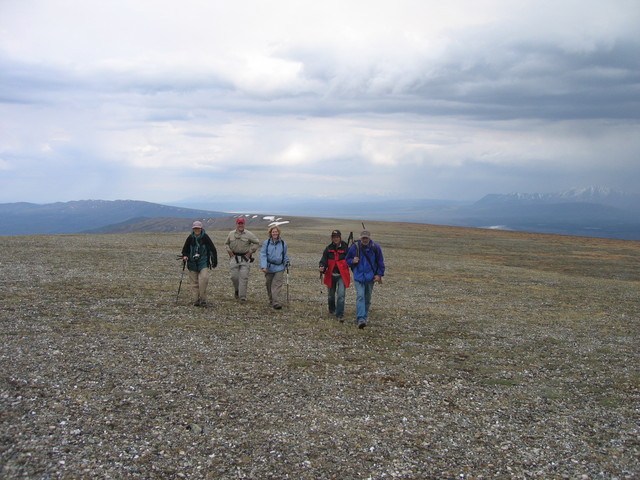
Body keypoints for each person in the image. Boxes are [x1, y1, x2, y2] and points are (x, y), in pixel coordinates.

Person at [345, 230, 385, 328]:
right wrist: (352, 261)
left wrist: (379, 275)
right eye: (363, 238)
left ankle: (364, 316)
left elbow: (380, 262)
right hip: (358, 277)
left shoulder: (376, 248)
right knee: (360, 296)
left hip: (370, 278)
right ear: (360, 238)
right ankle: (361, 319)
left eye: (366, 237)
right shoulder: (355, 247)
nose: (365, 239)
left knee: (367, 298)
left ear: (369, 238)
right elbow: (346, 260)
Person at [181, 221, 218, 307]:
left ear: (201, 228)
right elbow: (185, 250)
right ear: (193, 229)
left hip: (203, 262)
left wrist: (214, 261)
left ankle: (203, 299)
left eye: (198, 228)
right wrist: (185, 256)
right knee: (194, 283)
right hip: (192, 262)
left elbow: (213, 249)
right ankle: (196, 300)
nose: (196, 230)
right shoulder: (190, 238)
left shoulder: (205, 237)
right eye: (195, 228)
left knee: (204, 279)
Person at [224, 217, 260, 302]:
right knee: (234, 277)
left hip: (245, 258)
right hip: (234, 258)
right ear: (236, 224)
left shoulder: (249, 234)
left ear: (244, 224)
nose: (240, 225)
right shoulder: (231, 234)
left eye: (242, 223)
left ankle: (242, 297)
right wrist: (229, 251)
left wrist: (250, 252)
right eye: (239, 223)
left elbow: (256, 242)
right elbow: (226, 243)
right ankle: (237, 290)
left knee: (244, 277)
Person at [318, 229, 351, 322]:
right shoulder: (328, 249)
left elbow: (350, 260)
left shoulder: (346, 248)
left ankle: (340, 314)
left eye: (337, 237)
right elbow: (323, 260)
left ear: (340, 237)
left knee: (341, 295)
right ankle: (332, 310)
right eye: (334, 237)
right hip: (331, 275)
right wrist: (322, 267)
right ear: (332, 238)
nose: (335, 239)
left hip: (342, 275)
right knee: (330, 295)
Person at [260, 225, 291, 309]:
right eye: (273, 232)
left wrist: (287, 261)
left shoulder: (283, 243)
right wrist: (263, 266)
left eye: (276, 232)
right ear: (270, 233)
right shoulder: (266, 243)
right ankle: (271, 299)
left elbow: (285, 255)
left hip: (280, 267)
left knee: (276, 285)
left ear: (278, 233)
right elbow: (263, 255)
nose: (275, 233)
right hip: (269, 267)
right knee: (268, 284)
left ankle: (275, 302)